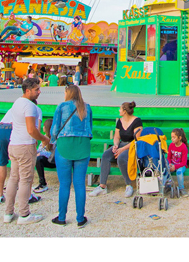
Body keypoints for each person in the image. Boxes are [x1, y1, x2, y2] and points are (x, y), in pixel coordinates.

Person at [3, 77, 49, 224]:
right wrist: (43, 138)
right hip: (25, 145)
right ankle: (24, 213)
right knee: (25, 180)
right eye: (36, 90)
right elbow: (31, 129)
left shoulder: (17, 103)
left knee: (13, 178)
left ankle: (8, 212)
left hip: (14, 144)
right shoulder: (29, 106)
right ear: (28, 90)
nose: (39, 92)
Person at [50, 85, 93, 227]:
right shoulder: (87, 107)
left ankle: (62, 217)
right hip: (82, 145)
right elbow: (90, 128)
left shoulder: (62, 106)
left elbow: (55, 129)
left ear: (68, 93)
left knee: (64, 184)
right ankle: (80, 218)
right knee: (80, 183)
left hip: (65, 145)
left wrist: (53, 140)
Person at [90, 101, 142, 198]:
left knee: (121, 158)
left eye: (120, 109)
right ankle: (102, 186)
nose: (119, 110)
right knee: (106, 155)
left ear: (125, 111)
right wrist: (115, 145)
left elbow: (136, 140)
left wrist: (122, 149)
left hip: (132, 146)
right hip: (121, 144)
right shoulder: (120, 121)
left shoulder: (137, 121)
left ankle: (129, 185)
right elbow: (117, 136)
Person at [34, 119, 55, 193]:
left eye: (44, 126)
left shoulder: (54, 139)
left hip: (53, 161)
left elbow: (52, 154)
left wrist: (41, 153)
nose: (43, 127)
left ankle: (43, 184)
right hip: (44, 159)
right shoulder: (43, 138)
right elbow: (39, 151)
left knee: (39, 159)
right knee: (37, 158)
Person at [168, 128, 189, 196]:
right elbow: (169, 157)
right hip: (173, 164)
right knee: (166, 170)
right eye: (172, 137)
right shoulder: (171, 145)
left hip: (181, 166)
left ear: (179, 138)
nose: (172, 139)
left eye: (174, 137)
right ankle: (167, 185)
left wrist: (175, 167)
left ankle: (181, 189)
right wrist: (170, 164)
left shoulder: (183, 147)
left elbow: (183, 162)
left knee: (179, 172)